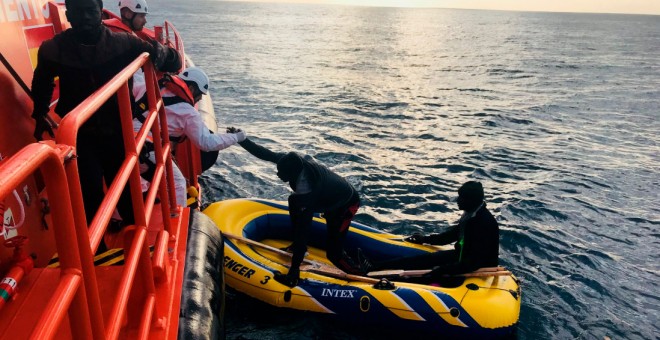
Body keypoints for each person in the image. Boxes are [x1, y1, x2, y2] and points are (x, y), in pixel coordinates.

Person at [30, 0, 182, 232]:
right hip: (80, 135)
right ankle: (97, 246)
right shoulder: (54, 49)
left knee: (124, 186)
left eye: (90, 12)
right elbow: (42, 82)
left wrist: (165, 54)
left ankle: (135, 236)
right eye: (79, 12)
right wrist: (39, 112)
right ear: (69, 15)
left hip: (116, 130)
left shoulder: (124, 44)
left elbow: (167, 58)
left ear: (100, 13)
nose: (86, 18)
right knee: (88, 190)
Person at [235, 136, 361, 287]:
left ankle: (359, 275)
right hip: (329, 198)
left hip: (345, 205)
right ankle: (296, 247)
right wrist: (241, 139)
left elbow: (304, 230)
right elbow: (265, 153)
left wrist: (294, 269)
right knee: (293, 200)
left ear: (293, 175)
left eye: (282, 174)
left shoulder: (306, 188)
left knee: (333, 253)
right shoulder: (291, 162)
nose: (278, 175)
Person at [132, 67, 246, 207]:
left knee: (145, 174)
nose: (198, 99)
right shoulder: (187, 112)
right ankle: (176, 218)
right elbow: (207, 142)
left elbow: (134, 83)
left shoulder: (151, 85)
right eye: (199, 95)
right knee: (178, 183)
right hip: (144, 148)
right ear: (192, 88)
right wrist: (236, 137)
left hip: (125, 139)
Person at [369, 181, 499, 277]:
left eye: (462, 198)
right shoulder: (471, 214)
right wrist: (424, 239)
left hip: (477, 269)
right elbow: (450, 236)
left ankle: (375, 271)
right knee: (422, 260)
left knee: (428, 272)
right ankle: (374, 266)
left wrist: (442, 270)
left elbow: (474, 262)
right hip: (461, 258)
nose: (458, 200)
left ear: (472, 200)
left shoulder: (484, 223)